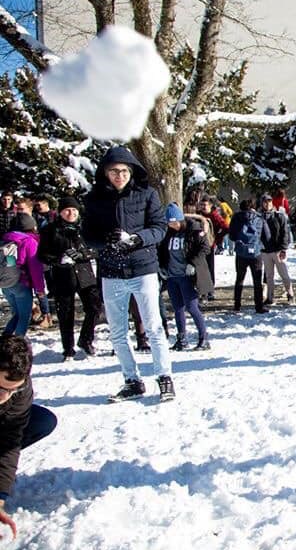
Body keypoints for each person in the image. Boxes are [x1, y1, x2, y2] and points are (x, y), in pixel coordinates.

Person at [82, 146, 176, 402]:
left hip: (143, 268)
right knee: (117, 331)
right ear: (105, 173)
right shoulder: (93, 199)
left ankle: (164, 377)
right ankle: (131, 380)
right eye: (114, 171)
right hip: (111, 271)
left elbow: (159, 228)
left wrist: (136, 239)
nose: (119, 175)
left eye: (124, 171)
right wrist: (105, 241)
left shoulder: (147, 194)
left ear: (132, 171)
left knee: (154, 326)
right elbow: (87, 235)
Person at [0, 335, 57, 539]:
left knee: (43, 420)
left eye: (12, 390)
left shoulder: (21, 391)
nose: (5, 397)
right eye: (0, 388)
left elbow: (10, 441)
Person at [36, 197, 103, 359]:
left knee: (94, 308)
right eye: (67, 210)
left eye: (74, 210)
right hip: (63, 276)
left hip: (85, 274)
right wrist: (59, 258)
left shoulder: (85, 228)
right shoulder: (50, 230)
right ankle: (68, 349)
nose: (71, 213)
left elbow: (98, 248)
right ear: (60, 212)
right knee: (66, 314)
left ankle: (86, 340)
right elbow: (42, 255)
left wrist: (84, 254)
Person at [158, 203, 212, 351]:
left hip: (187, 276)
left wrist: (193, 264)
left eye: (175, 222)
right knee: (177, 308)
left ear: (181, 220)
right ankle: (182, 339)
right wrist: (162, 267)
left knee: (192, 307)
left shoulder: (194, 230)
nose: (172, 225)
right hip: (172, 276)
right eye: (169, 223)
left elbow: (205, 248)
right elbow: (162, 252)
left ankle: (204, 338)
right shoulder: (167, 234)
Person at [1, 214, 46, 337]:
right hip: (22, 284)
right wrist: (40, 289)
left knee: (17, 314)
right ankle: (17, 343)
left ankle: (6, 338)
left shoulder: (5, 239)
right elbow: (35, 269)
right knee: (24, 316)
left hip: (6, 283)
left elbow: (10, 262)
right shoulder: (29, 241)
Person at [228, 198, 271, 314]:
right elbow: (267, 236)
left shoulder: (236, 217)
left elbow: (231, 236)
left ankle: (237, 305)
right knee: (257, 281)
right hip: (256, 253)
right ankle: (259, 306)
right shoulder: (259, 218)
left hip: (241, 252)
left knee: (239, 279)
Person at [259, 196, 295, 305]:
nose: (267, 204)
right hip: (265, 250)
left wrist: (283, 248)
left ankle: (290, 294)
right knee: (269, 276)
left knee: (284, 274)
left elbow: (285, 233)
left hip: (278, 250)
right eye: (265, 202)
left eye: (269, 202)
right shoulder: (259, 217)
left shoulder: (279, 216)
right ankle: (270, 297)